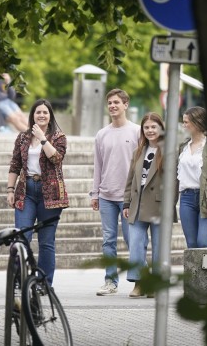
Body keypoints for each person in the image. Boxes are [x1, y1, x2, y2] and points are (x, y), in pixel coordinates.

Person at [6, 99, 69, 286]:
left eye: (45, 112)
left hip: (50, 194)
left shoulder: (58, 137)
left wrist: (42, 138)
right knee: (22, 237)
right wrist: (10, 190)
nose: (41, 115)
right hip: (26, 191)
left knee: (46, 241)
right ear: (32, 115)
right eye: (38, 112)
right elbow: (15, 165)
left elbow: (56, 158)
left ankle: (44, 282)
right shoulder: (23, 138)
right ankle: (20, 279)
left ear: (50, 116)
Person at [91, 89, 140, 296]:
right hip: (106, 196)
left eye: (116, 102)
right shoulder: (102, 134)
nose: (112, 106)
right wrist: (95, 193)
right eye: (110, 102)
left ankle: (140, 280)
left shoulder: (137, 132)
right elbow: (98, 166)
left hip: (130, 197)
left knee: (133, 240)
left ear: (126, 104)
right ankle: (110, 281)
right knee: (108, 240)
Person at [123, 112, 165, 298]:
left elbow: (174, 182)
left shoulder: (168, 152)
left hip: (159, 205)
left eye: (153, 127)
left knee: (158, 248)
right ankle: (139, 283)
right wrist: (126, 202)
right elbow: (130, 179)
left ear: (161, 128)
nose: (149, 130)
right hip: (137, 204)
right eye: (146, 127)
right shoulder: (138, 151)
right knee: (136, 245)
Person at [177, 106, 207, 249]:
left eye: (187, 122)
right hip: (186, 198)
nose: (184, 125)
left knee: (203, 242)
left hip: (206, 197)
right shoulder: (183, 146)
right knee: (192, 244)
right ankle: (193, 273)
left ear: (197, 122)